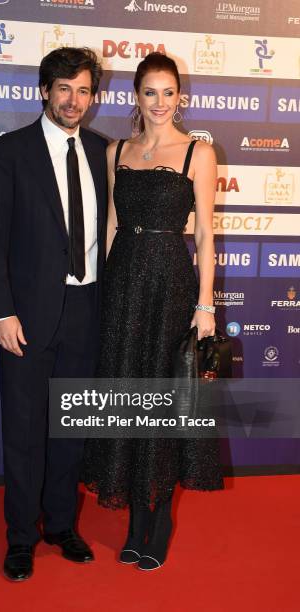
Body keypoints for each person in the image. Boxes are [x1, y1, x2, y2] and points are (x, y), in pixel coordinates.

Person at [82, 52, 224, 571]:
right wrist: (100, 290)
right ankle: (132, 521)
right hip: (123, 285)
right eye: (150, 93)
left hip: (170, 286)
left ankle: (158, 519)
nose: (160, 103)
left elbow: (206, 234)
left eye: (169, 93)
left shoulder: (198, 152)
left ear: (179, 97)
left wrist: (204, 305)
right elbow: (112, 228)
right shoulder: (116, 151)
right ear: (136, 97)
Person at [0, 47, 107, 581]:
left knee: (70, 427)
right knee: (25, 431)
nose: (74, 101)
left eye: (83, 90)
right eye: (64, 89)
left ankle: (60, 525)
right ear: (44, 91)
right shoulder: (8, 152)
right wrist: (1, 311)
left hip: (87, 307)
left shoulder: (103, 152)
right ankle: (21, 537)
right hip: (25, 316)